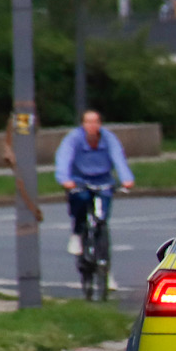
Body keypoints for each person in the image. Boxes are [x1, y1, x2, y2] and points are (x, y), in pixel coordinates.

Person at [55, 109, 135, 257]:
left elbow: (118, 158)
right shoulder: (73, 138)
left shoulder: (109, 138)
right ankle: (77, 234)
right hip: (80, 181)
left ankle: (101, 249)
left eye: (95, 122)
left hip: (103, 180)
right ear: (82, 124)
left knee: (103, 214)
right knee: (80, 199)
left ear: (100, 124)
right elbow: (64, 158)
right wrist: (65, 179)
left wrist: (126, 178)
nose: (92, 126)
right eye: (88, 122)